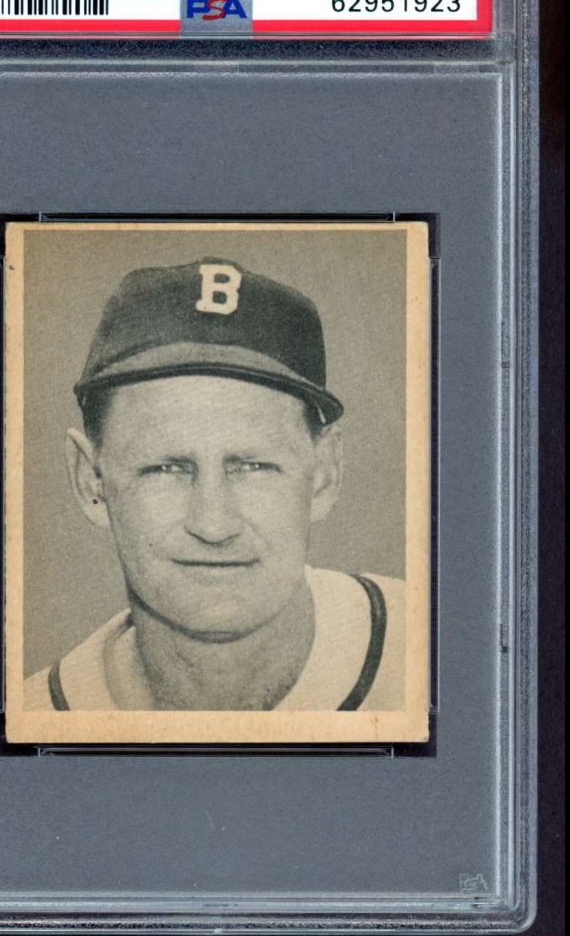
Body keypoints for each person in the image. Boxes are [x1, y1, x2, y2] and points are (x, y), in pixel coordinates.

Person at [24, 258, 404, 712]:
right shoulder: (28, 721)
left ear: (324, 474)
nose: (213, 525)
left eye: (253, 467)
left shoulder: (438, 656)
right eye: (166, 468)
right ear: (91, 480)